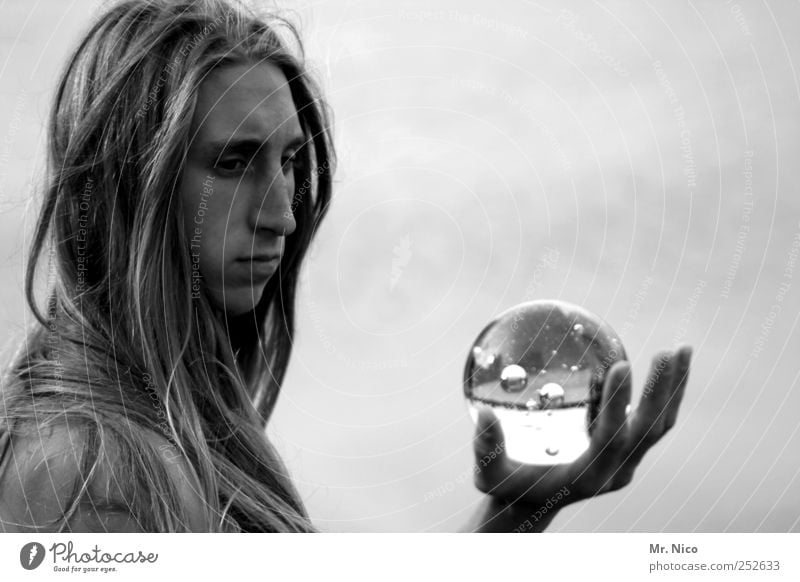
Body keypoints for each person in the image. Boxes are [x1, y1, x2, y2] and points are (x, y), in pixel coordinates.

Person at [0, 0, 692, 533]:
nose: (284, 213)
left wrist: (516, 513)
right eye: (235, 162)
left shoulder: (153, 431)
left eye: (291, 163)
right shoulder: (96, 475)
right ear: (128, 182)